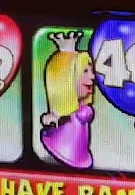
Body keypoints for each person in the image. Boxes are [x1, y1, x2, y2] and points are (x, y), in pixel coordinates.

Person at [40, 30, 95, 169]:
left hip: (77, 154)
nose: (92, 77)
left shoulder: (84, 110)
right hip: (57, 144)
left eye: (91, 71)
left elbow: (85, 114)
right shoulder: (66, 109)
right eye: (85, 71)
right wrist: (51, 118)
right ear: (66, 78)